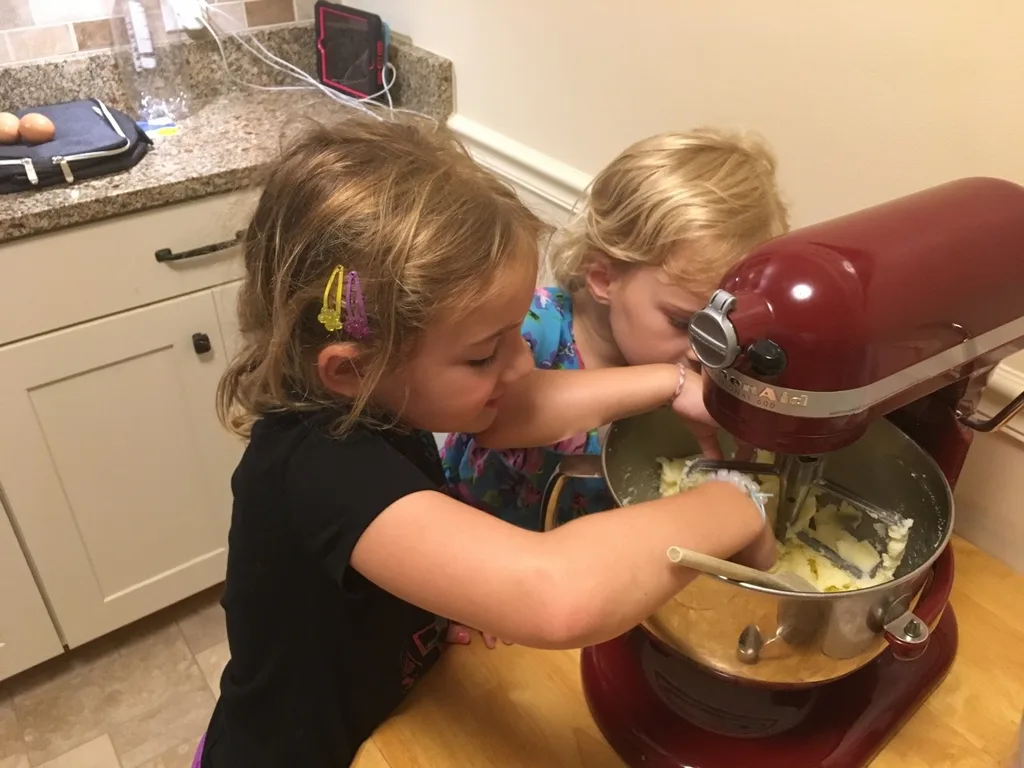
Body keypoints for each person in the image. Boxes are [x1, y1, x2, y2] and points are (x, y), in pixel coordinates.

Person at [195, 114, 775, 768]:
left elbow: (525, 406)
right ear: (353, 367)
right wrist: (736, 500)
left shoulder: (377, 409)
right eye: (482, 355)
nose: (522, 364)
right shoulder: (316, 470)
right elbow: (556, 596)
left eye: (514, 336)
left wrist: (428, 604)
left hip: (390, 706)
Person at [443, 128, 789, 530]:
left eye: (725, 329)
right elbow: (495, 420)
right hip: (486, 544)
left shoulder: (695, 355)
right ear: (604, 279)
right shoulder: (534, 328)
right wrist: (671, 382)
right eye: (682, 322)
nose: (702, 350)